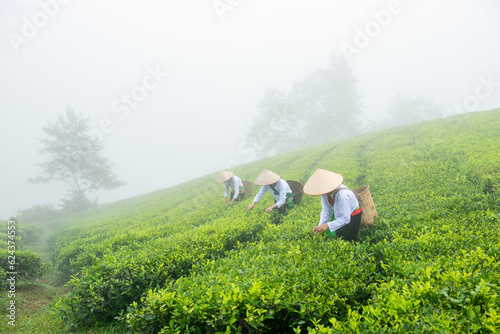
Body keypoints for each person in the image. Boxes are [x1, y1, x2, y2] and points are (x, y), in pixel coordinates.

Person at [303, 169, 362, 241]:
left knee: (347, 238)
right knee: (338, 235)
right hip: (340, 213)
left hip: (352, 216)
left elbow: (345, 218)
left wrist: (327, 225)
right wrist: (321, 225)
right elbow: (326, 209)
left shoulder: (342, 195)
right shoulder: (324, 192)